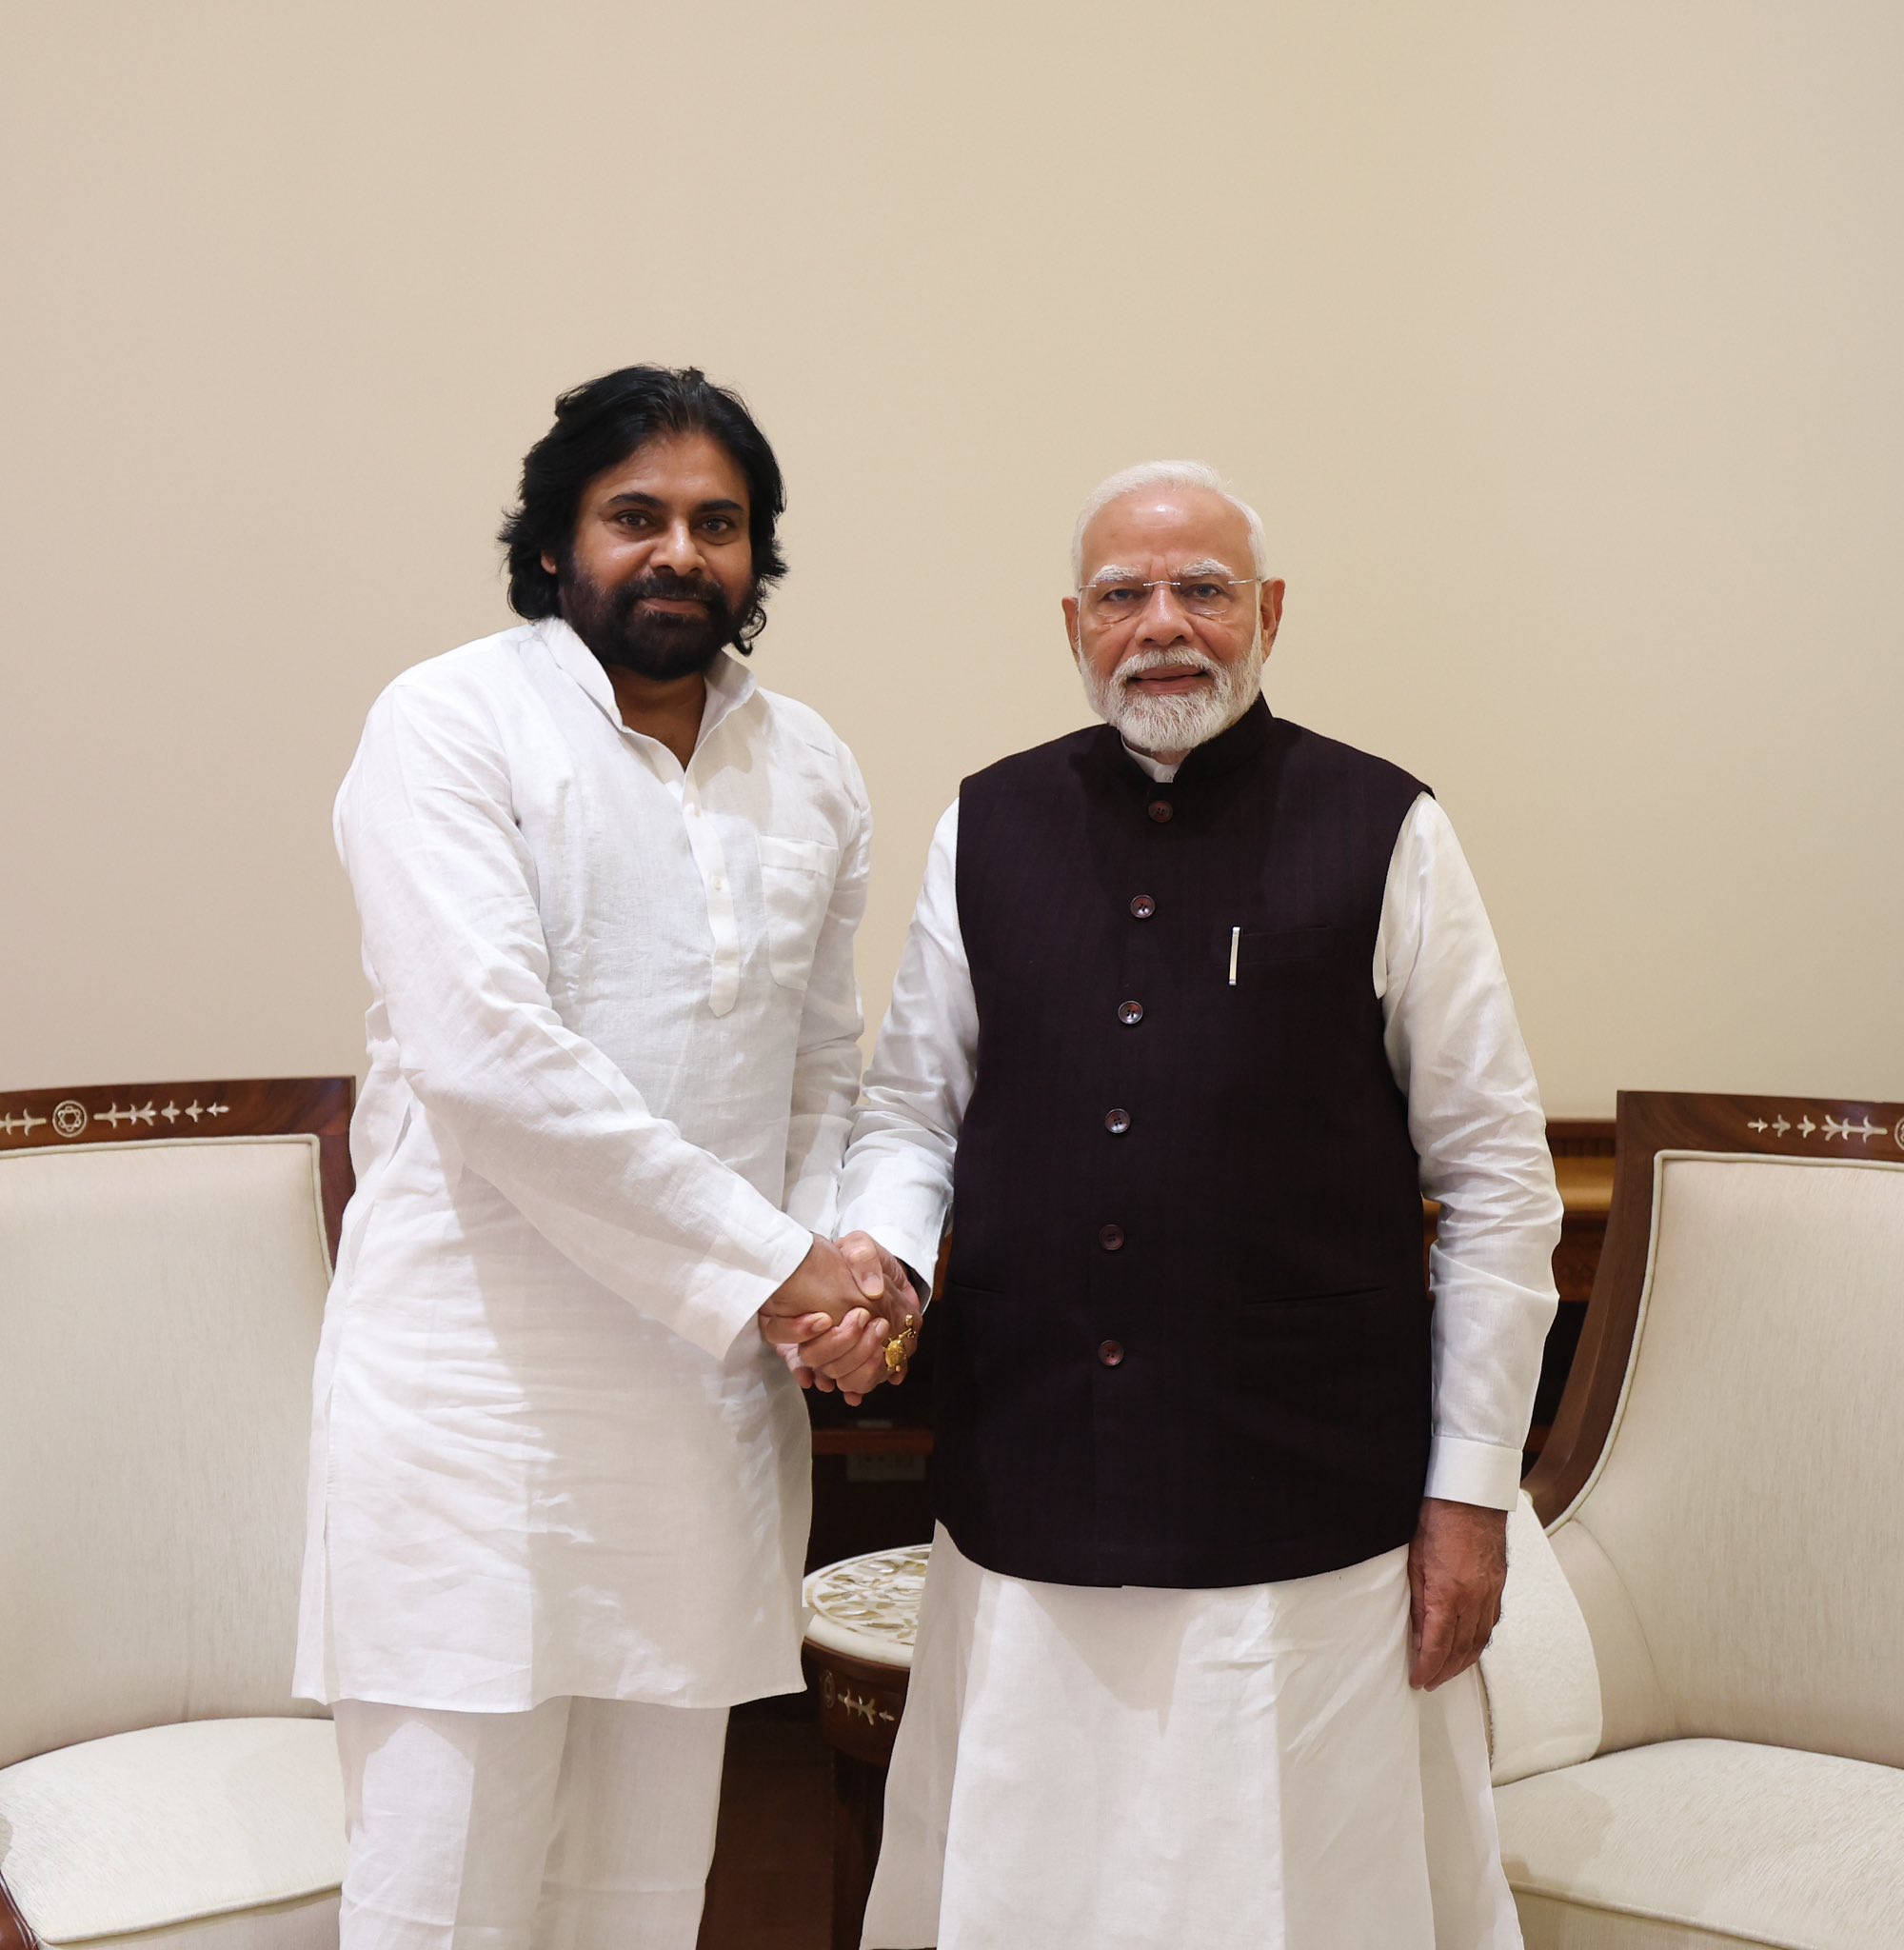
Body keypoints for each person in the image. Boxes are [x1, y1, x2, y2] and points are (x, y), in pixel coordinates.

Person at [837, 461, 1562, 1948]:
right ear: (1074, 625)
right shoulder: (988, 824)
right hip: (1031, 1485)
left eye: (1202, 590)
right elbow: (909, 1109)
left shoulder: (1388, 827)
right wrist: (885, 1263)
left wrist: (1471, 1495)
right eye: (1123, 594)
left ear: (1269, 614)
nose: (1163, 625)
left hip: (1305, 1512)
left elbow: (1496, 1175)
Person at [295, 364, 910, 1950]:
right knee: (440, 1902)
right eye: (637, 515)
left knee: (639, 1904)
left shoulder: (813, 767)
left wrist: (834, 1280)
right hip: (472, 1425)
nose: (680, 552)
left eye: (719, 522)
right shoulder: (448, 721)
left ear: (757, 555)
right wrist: (783, 1266)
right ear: (555, 540)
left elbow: (817, 1069)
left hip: (698, 1430)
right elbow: (488, 1060)